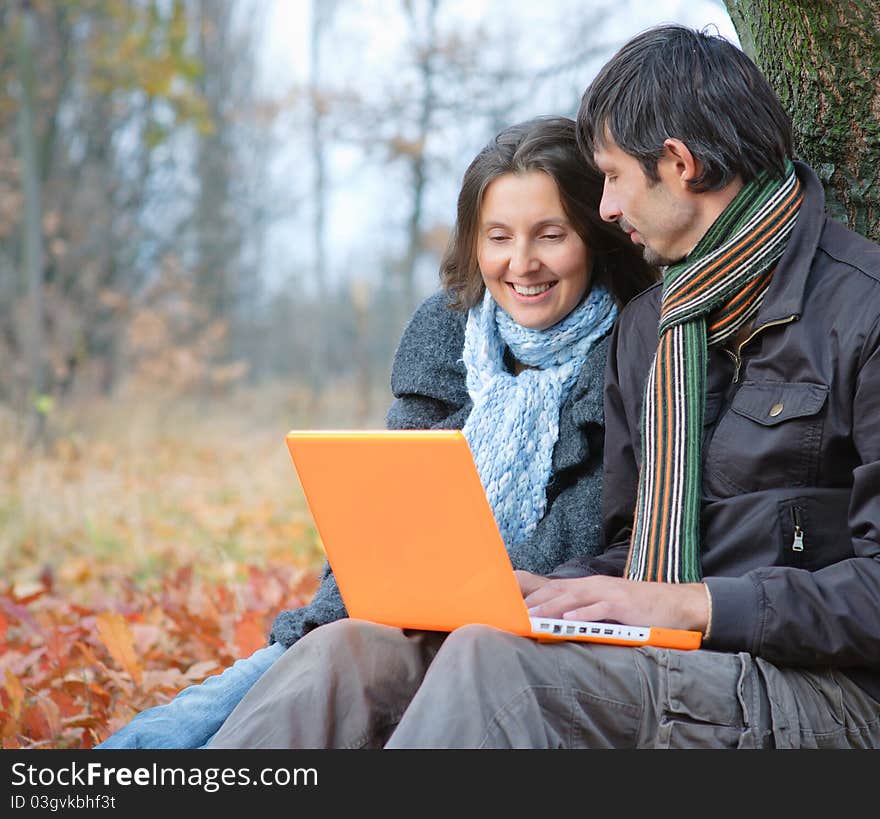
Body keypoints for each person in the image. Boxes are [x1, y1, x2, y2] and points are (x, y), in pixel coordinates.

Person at [209, 23, 880, 751]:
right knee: (349, 655)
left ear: (680, 164)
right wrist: (539, 591)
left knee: (491, 664)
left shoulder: (862, 310)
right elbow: (631, 545)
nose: (609, 209)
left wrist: (696, 604)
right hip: (674, 655)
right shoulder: (655, 327)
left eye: (614, 178)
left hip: (818, 688)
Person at [95, 115, 657, 749]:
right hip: (387, 612)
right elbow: (387, 518)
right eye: (497, 237)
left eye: (550, 235)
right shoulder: (446, 336)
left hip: (511, 640)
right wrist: (338, 614)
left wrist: (446, 594)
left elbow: (592, 535)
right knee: (180, 729)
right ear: (473, 244)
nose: (520, 263)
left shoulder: (634, 351)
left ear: (594, 235)